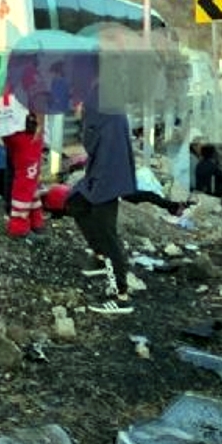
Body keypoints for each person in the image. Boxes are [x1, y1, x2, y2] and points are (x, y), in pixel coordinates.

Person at [66, 88, 138, 313]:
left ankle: (121, 295)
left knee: (106, 231)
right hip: (102, 169)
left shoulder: (96, 102)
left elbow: (93, 137)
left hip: (108, 173)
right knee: (76, 201)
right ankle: (99, 256)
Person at [0, 61, 47, 237]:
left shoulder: (10, 75)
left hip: (10, 130)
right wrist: (41, 124)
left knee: (28, 176)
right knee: (27, 178)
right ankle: (18, 225)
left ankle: (36, 219)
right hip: (27, 130)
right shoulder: (32, 73)